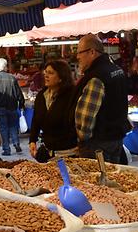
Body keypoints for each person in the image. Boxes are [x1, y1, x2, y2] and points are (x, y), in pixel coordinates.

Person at [72, 34, 130, 163]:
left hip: (98, 144)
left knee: (97, 181)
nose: (77, 57)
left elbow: (86, 118)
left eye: (79, 53)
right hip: (116, 138)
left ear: (92, 52)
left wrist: (80, 139)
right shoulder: (117, 70)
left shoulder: (96, 78)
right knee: (113, 176)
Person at [29, 59, 77, 161]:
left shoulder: (72, 95)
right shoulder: (42, 95)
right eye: (45, 72)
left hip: (68, 153)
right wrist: (32, 140)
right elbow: (36, 120)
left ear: (61, 77)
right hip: (48, 152)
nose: (46, 75)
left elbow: (75, 124)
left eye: (50, 73)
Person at [0, 58, 25, 155]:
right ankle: (16, 143)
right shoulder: (12, 78)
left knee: (3, 128)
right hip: (12, 107)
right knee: (13, 126)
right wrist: (21, 104)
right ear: (5, 67)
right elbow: (18, 94)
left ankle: (6, 149)